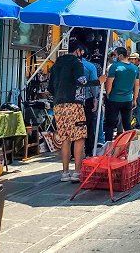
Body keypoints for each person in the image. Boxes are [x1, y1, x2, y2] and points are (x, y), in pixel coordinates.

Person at [48, 42, 89, 182]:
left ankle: (65, 172)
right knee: (79, 137)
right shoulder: (76, 63)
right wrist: (98, 81)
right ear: (78, 50)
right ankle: (77, 172)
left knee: (65, 138)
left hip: (58, 105)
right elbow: (81, 81)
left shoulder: (57, 64)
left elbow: (50, 88)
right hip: (74, 104)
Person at [104, 47, 139, 142]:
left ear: (120, 55)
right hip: (128, 99)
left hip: (114, 98)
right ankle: (129, 145)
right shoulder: (135, 68)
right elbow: (136, 85)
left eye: (114, 55)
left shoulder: (114, 67)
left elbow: (109, 83)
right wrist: (135, 99)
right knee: (127, 124)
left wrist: (107, 94)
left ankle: (108, 145)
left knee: (110, 124)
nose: (114, 57)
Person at [81, 48, 105, 157]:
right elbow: (94, 85)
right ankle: (89, 150)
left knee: (75, 126)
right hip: (87, 99)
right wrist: (95, 98)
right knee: (89, 125)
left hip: (73, 100)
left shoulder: (71, 65)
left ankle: (73, 152)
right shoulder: (92, 67)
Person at [129, 52, 140, 130]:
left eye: (132, 59)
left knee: (137, 106)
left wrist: (137, 88)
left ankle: (139, 124)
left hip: (139, 88)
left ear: (136, 59)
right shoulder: (139, 66)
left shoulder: (139, 67)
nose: (130, 60)